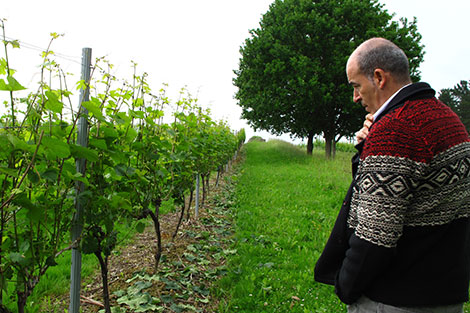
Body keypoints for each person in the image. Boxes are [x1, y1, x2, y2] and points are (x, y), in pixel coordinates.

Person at [314, 37, 470, 313]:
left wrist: (346, 285)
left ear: (378, 77)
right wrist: (367, 151)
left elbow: (376, 236)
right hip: (444, 292)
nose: (356, 97)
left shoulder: (395, 130)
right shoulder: (447, 118)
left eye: (357, 86)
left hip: (395, 297)